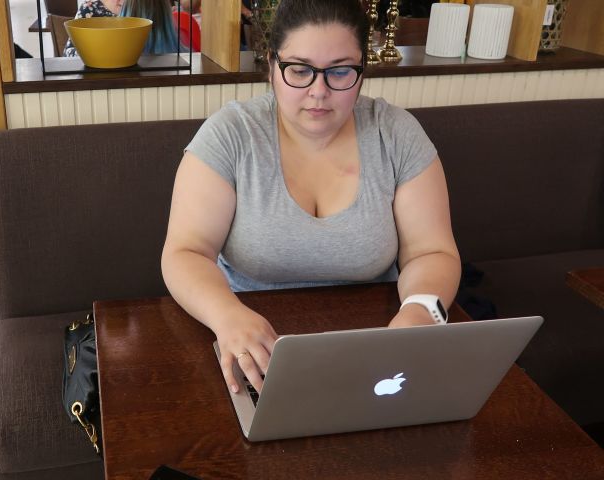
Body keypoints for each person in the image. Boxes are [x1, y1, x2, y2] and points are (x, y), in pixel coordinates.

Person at [161, 0, 461, 395]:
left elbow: (431, 252)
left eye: (339, 71)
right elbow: (186, 252)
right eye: (299, 70)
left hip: (377, 343)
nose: (319, 92)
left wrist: (421, 311)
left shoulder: (396, 133)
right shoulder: (231, 134)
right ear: (272, 66)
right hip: (249, 341)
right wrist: (227, 316)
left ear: (361, 73)